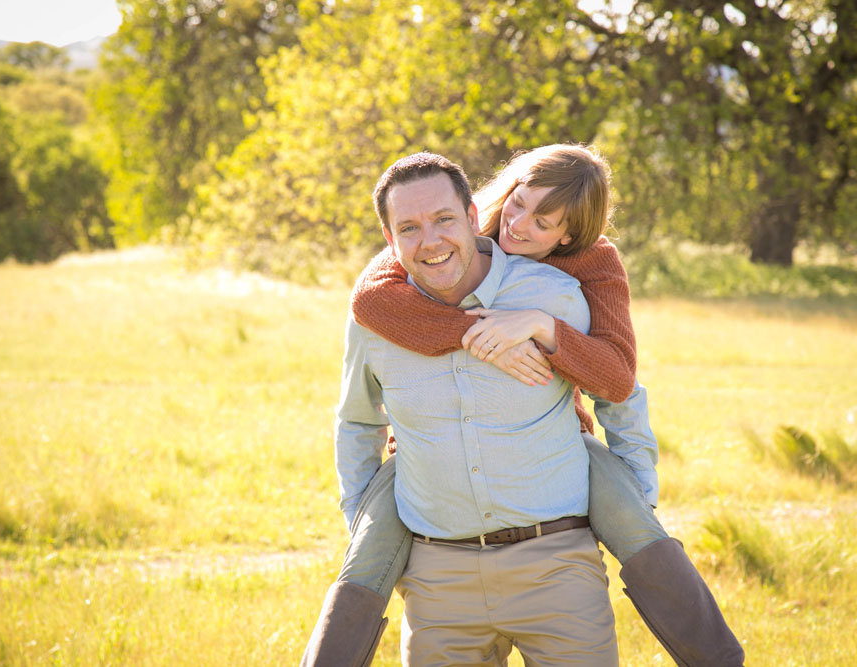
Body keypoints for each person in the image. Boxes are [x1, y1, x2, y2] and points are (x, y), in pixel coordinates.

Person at [302, 146, 744, 666]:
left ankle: (717, 657)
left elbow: (618, 384)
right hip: (439, 567)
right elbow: (357, 416)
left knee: (632, 520)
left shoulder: (577, 280)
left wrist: (542, 328)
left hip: (556, 553)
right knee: (366, 557)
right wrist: (477, 332)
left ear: (568, 233)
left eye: (543, 220)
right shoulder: (387, 295)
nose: (519, 224)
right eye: (518, 204)